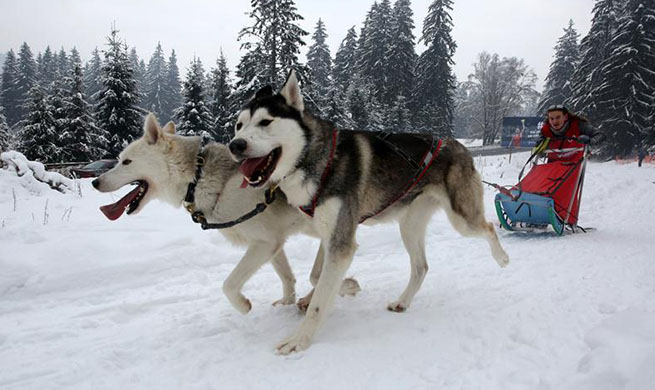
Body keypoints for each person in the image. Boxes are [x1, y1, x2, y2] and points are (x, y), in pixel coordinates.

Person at [533, 105, 598, 162]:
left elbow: (599, 134)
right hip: (553, 166)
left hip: (576, 164)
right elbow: (538, 150)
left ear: (566, 117)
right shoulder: (545, 131)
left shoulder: (578, 125)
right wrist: (539, 150)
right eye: (551, 118)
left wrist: (591, 141)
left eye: (558, 117)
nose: (554, 121)